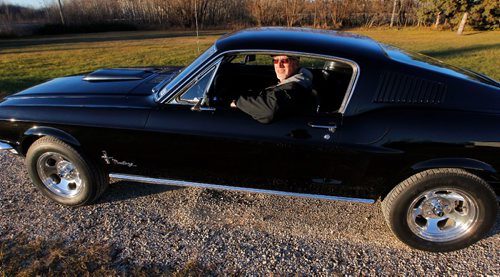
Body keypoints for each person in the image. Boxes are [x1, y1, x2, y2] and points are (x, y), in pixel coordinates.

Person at [230, 55, 314, 124]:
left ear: (296, 63)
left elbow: (269, 111)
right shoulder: (295, 79)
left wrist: (238, 101)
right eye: (275, 61)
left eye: (284, 61)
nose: (279, 65)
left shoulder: (294, 88)